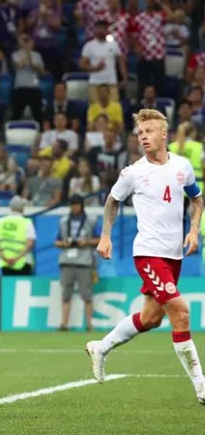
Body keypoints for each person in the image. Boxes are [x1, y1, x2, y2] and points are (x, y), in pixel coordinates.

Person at [87, 109, 205, 405]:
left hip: (173, 254)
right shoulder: (133, 172)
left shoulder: (182, 166)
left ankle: (101, 347)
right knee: (180, 312)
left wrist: (193, 231)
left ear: (164, 134)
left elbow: (197, 198)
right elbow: (112, 200)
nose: (143, 137)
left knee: (152, 318)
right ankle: (201, 386)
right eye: (140, 133)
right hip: (148, 253)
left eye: (149, 131)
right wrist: (105, 235)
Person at [55, 195, 99, 331]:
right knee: (65, 294)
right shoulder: (63, 221)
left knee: (87, 294)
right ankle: (64, 324)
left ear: (81, 205)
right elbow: (56, 241)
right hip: (67, 260)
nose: (74, 207)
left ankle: (90, 324)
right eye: (72, 205)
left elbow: (98, 240)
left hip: (85, 261)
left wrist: (86, 242)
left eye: (77, 205)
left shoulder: (90, 221)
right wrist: (64, 243)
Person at [0, 196, 36, 275]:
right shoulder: (27, 222)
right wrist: (16, 258)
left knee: (8, 287)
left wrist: (4, 258)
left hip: (5, 263)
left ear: (10, 207)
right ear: (22, 208)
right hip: (23, 262)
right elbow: (30, 243)